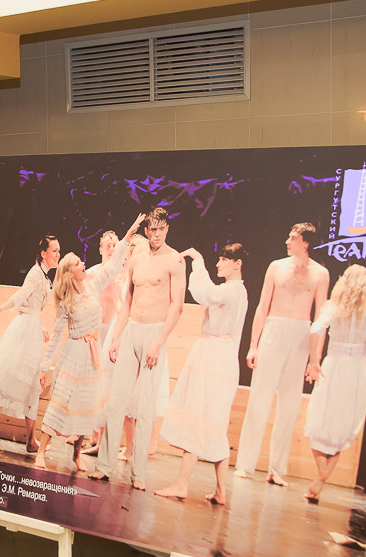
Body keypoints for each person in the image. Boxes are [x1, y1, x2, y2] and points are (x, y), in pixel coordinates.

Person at [33, 215, 142, 471]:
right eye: (78, 264)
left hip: (92, 356)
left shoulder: (94, 287)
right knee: (60, 402)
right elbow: (56, 336)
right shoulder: (66, 302)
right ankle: (41, 451)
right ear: (70, 273)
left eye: (81, 263)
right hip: (73, 354)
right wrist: (45, 368)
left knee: (86, 404)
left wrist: (128, 235)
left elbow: (113, 266)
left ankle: (76, 454)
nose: (83, 265)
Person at [88, 207, 185, 490]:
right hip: (131, 330)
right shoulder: (137, 259)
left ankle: (138, 473)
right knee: (116, 401)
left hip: (154, 333)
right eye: (152, 229)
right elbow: (127, 300)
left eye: (161, 229)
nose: (156, 234)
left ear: (167, 229)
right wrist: (117, 337)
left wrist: (159, 341)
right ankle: (104, 466)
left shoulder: (175, 260)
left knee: (144, 407)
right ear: (146, 230)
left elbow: (177, 306)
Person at [234, 222, 330, 485]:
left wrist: (315, 359)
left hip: (301, 334)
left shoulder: (320, 274)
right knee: (259, 398)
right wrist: (253, 344)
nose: (288, 241)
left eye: (293, 237)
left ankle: (277, 469)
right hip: (274, 329)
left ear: (306, 242)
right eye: (289, 236)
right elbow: (262, 306)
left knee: (290, 403)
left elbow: (321, 318)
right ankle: (245, 464)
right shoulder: (276, 267)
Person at [156, 243, 248, 503]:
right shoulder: (236, 291)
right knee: (214, 423)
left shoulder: (232, 290)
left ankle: (182, 484)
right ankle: (220, 490)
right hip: (218, 356)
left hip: (214, 359)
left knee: (198, 417)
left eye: (224, 259)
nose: (219, 264)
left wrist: (197, 261)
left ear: (237, 264)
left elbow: (205, 293)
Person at [302, 264, 366, 504]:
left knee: (319, 420)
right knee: (344, 425)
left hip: (333, 367)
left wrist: (314, 361)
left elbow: (315, 330)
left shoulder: (333, 308)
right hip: (357, 370)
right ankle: (322, 477)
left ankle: (321, 476)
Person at [0, 235, 60, 452]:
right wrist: (2, 307)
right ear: (43, 253)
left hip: (31, 330)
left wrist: (40, 326)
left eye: (58, 251)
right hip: (23, 333)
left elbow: (31, 307)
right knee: (6, 378)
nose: (57, 255)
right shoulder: (35, 273)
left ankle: (30, 441)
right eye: (54, 250)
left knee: (33, 382)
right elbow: (21, 296)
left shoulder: (44, 276)